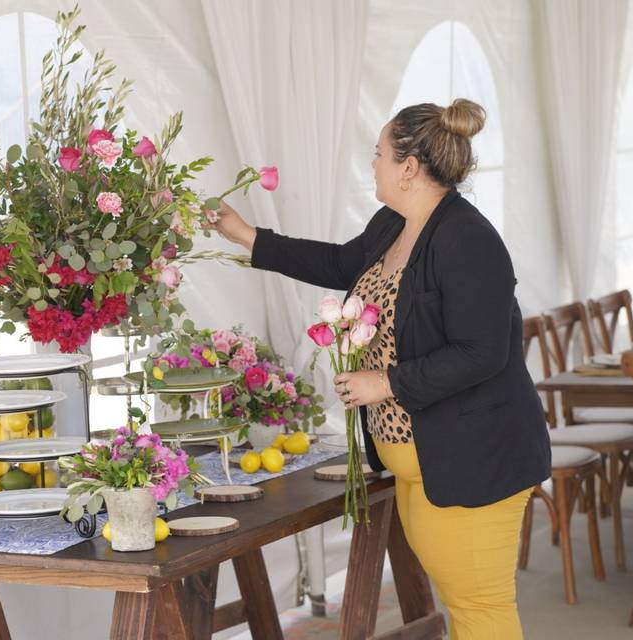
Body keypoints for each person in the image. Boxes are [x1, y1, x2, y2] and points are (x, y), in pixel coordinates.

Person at [211, 98, 551, 639]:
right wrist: (249, 237)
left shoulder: (468, 239)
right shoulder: (395, 222)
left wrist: (384, 382)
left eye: (378, 155)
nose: (373, 165)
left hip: (475, 458)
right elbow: (340, 264)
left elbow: (482, 352)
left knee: (480, 608)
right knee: (463, 607)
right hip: (424, 463)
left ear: (409, 167)